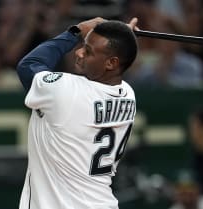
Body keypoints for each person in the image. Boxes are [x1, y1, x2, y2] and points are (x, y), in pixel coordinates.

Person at [16, 17, 139, 209]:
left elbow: (29, 64)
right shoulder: (128, 94)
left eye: (88, 51)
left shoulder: (66, 91)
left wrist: (76, 32)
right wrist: (119, 37)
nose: (79, 52)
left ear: (111, 63)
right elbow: (120, 57)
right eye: (83, 45)